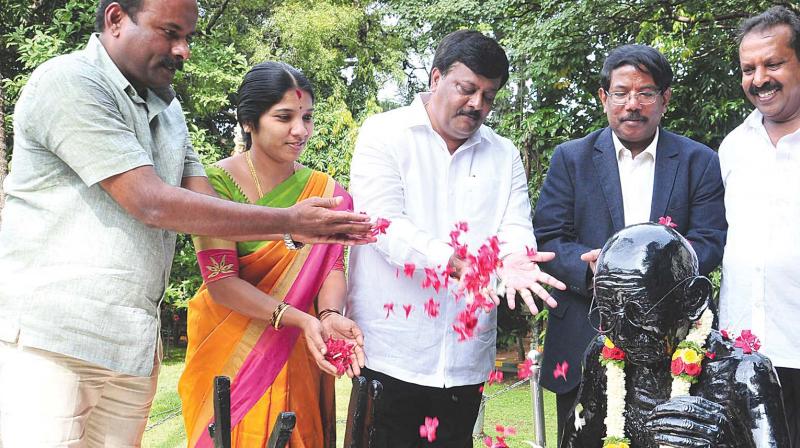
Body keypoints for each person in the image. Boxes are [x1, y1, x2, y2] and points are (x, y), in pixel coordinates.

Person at [0, 1, 373, 446]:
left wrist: (322, 296)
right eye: (170, 32)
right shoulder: (71, 82)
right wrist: (291, 224)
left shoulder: (168, 110)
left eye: (188, 38)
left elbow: (204, 204)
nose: (183, 50)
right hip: (54, 344)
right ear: (116, 19)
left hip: (130, 345)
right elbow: (152, 203)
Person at [346, 30, 566, 446]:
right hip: (391, 353)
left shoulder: (504, 155)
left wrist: (517, 259)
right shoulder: (384, 134)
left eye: (489, 95)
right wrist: (459, 262)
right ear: (435, 79)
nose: (477, 104)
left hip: (464, 360)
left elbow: (515, 227)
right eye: (466, 89)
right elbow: (383, 226)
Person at [532, 44, 727, 442]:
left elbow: (709, 241)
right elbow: (548, 239)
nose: (632, 104)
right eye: (621, 93)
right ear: (604, 97)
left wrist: (658, 275)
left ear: (665, 98)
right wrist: (595, 270)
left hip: (672, 345)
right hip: (583, 336)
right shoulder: (571, 159)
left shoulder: (699, 161)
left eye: (646, 93)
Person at [178, 61, 365, 448]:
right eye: (285, 117)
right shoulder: (211, 186)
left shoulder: (326, 193)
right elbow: (222, 284)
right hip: (231, 350)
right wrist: (295, 318)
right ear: (249, 122)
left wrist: (329, 314)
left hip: (299, 350)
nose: (301, 130)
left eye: (307, 117)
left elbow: (331, 265)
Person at [561, 223, 789, 447]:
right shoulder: (603, 355)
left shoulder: (742, 374)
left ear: (694, 299)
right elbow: (576, 439)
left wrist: (727, 440)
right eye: (608, 311)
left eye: (639, 312)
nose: (622, 333)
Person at [719, 6, 800, 446]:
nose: (759, 78)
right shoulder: (733, 147)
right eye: (748, 68)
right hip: (742, 356)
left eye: (773, 63)